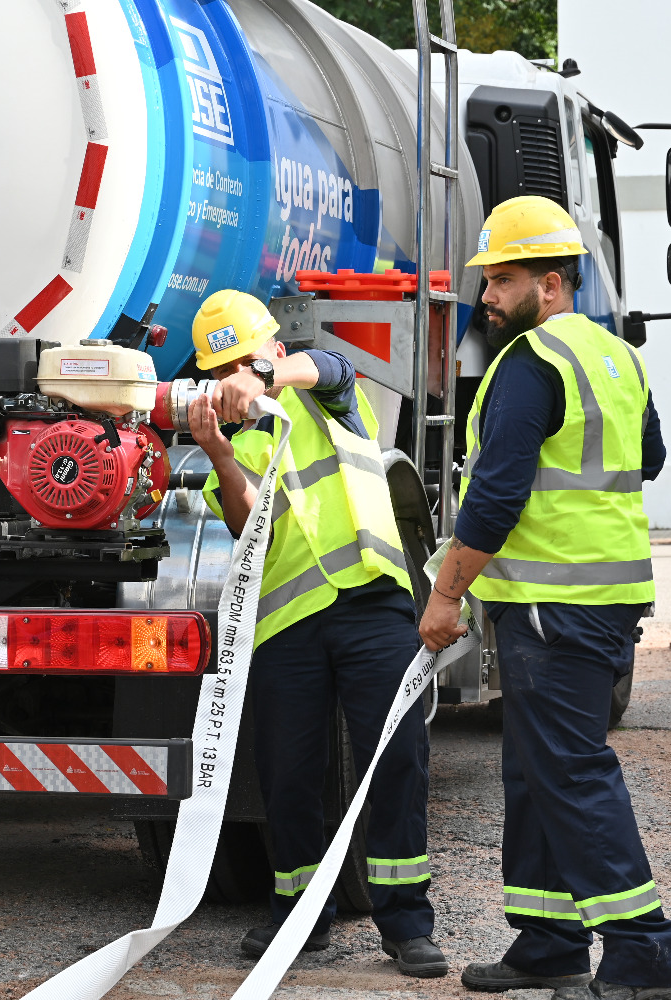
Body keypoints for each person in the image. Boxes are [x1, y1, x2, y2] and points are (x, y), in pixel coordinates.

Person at [419, 196, 671, 1000]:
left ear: (552, 279)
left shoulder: (530, 363)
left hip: (552, 604)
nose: (488, 297)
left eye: (501, 280)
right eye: (488, 281)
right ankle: (549, 940)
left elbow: (494, 501)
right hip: (600, 596)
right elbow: (652, 455)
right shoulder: (615, 357)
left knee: (568, 771)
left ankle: (646, 954)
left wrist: (444, 595)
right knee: (535, 771)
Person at [184, 289, 447, 979]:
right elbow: (250, 527)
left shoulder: (319, 389)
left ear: (273, 347)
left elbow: (331, 365)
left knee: (395, 757)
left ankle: (406, 924)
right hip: (289, 622)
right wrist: (215, 449)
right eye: (220, 371)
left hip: (371, 602)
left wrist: (266, 376)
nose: (232, 378)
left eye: (243, 360)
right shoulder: (237, 439)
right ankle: (301, 918)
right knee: (290, 774)